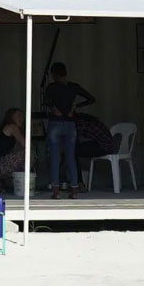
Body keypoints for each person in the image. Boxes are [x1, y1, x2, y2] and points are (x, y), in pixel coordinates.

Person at [44, 62, 95, 199]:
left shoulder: (51, 87)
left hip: (55, 122)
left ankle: (56, 191)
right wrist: (76, 106)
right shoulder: (73, 87)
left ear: (54, 74)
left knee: (55, 157)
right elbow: (91, 99)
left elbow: (46, 101)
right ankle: (74, 191)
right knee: (71, 157)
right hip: (70, 124)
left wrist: (54, 108)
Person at [0, 107, 27, 192]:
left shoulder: (5, 128)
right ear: (11, 118)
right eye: (18, 116)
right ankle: (22, 183)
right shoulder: (12, 127)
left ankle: (0, 182)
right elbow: (25, 144)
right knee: (28, 154)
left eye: (22, 116)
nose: (21, 119)